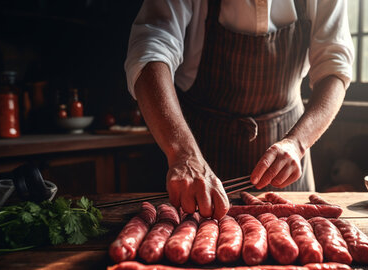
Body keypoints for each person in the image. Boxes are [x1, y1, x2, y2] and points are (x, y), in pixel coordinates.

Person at [125, 0, 354, 220]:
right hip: (196, 145)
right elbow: (150, 51)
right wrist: (182, 154)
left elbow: (334, 68)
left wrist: (297, 142)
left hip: (288, 149)